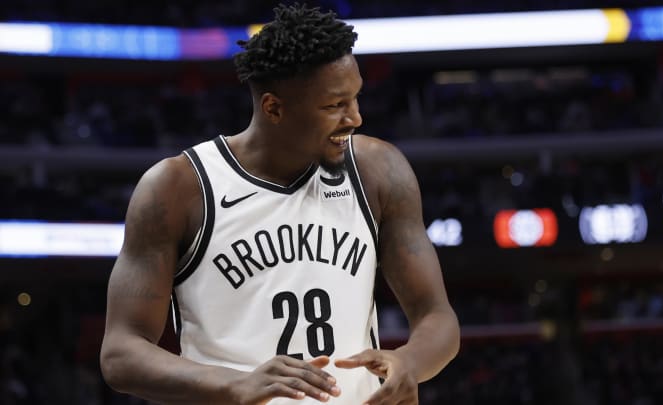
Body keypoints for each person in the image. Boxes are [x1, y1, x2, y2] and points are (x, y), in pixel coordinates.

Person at [100, 3, 459, 404]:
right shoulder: (179, 188)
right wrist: (233, 383)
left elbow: (438, 317)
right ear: (274, 107)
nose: (355, 117)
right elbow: (120, 352)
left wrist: (409, 360)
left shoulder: (378, 171)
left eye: (355, 98)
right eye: (334, 106)